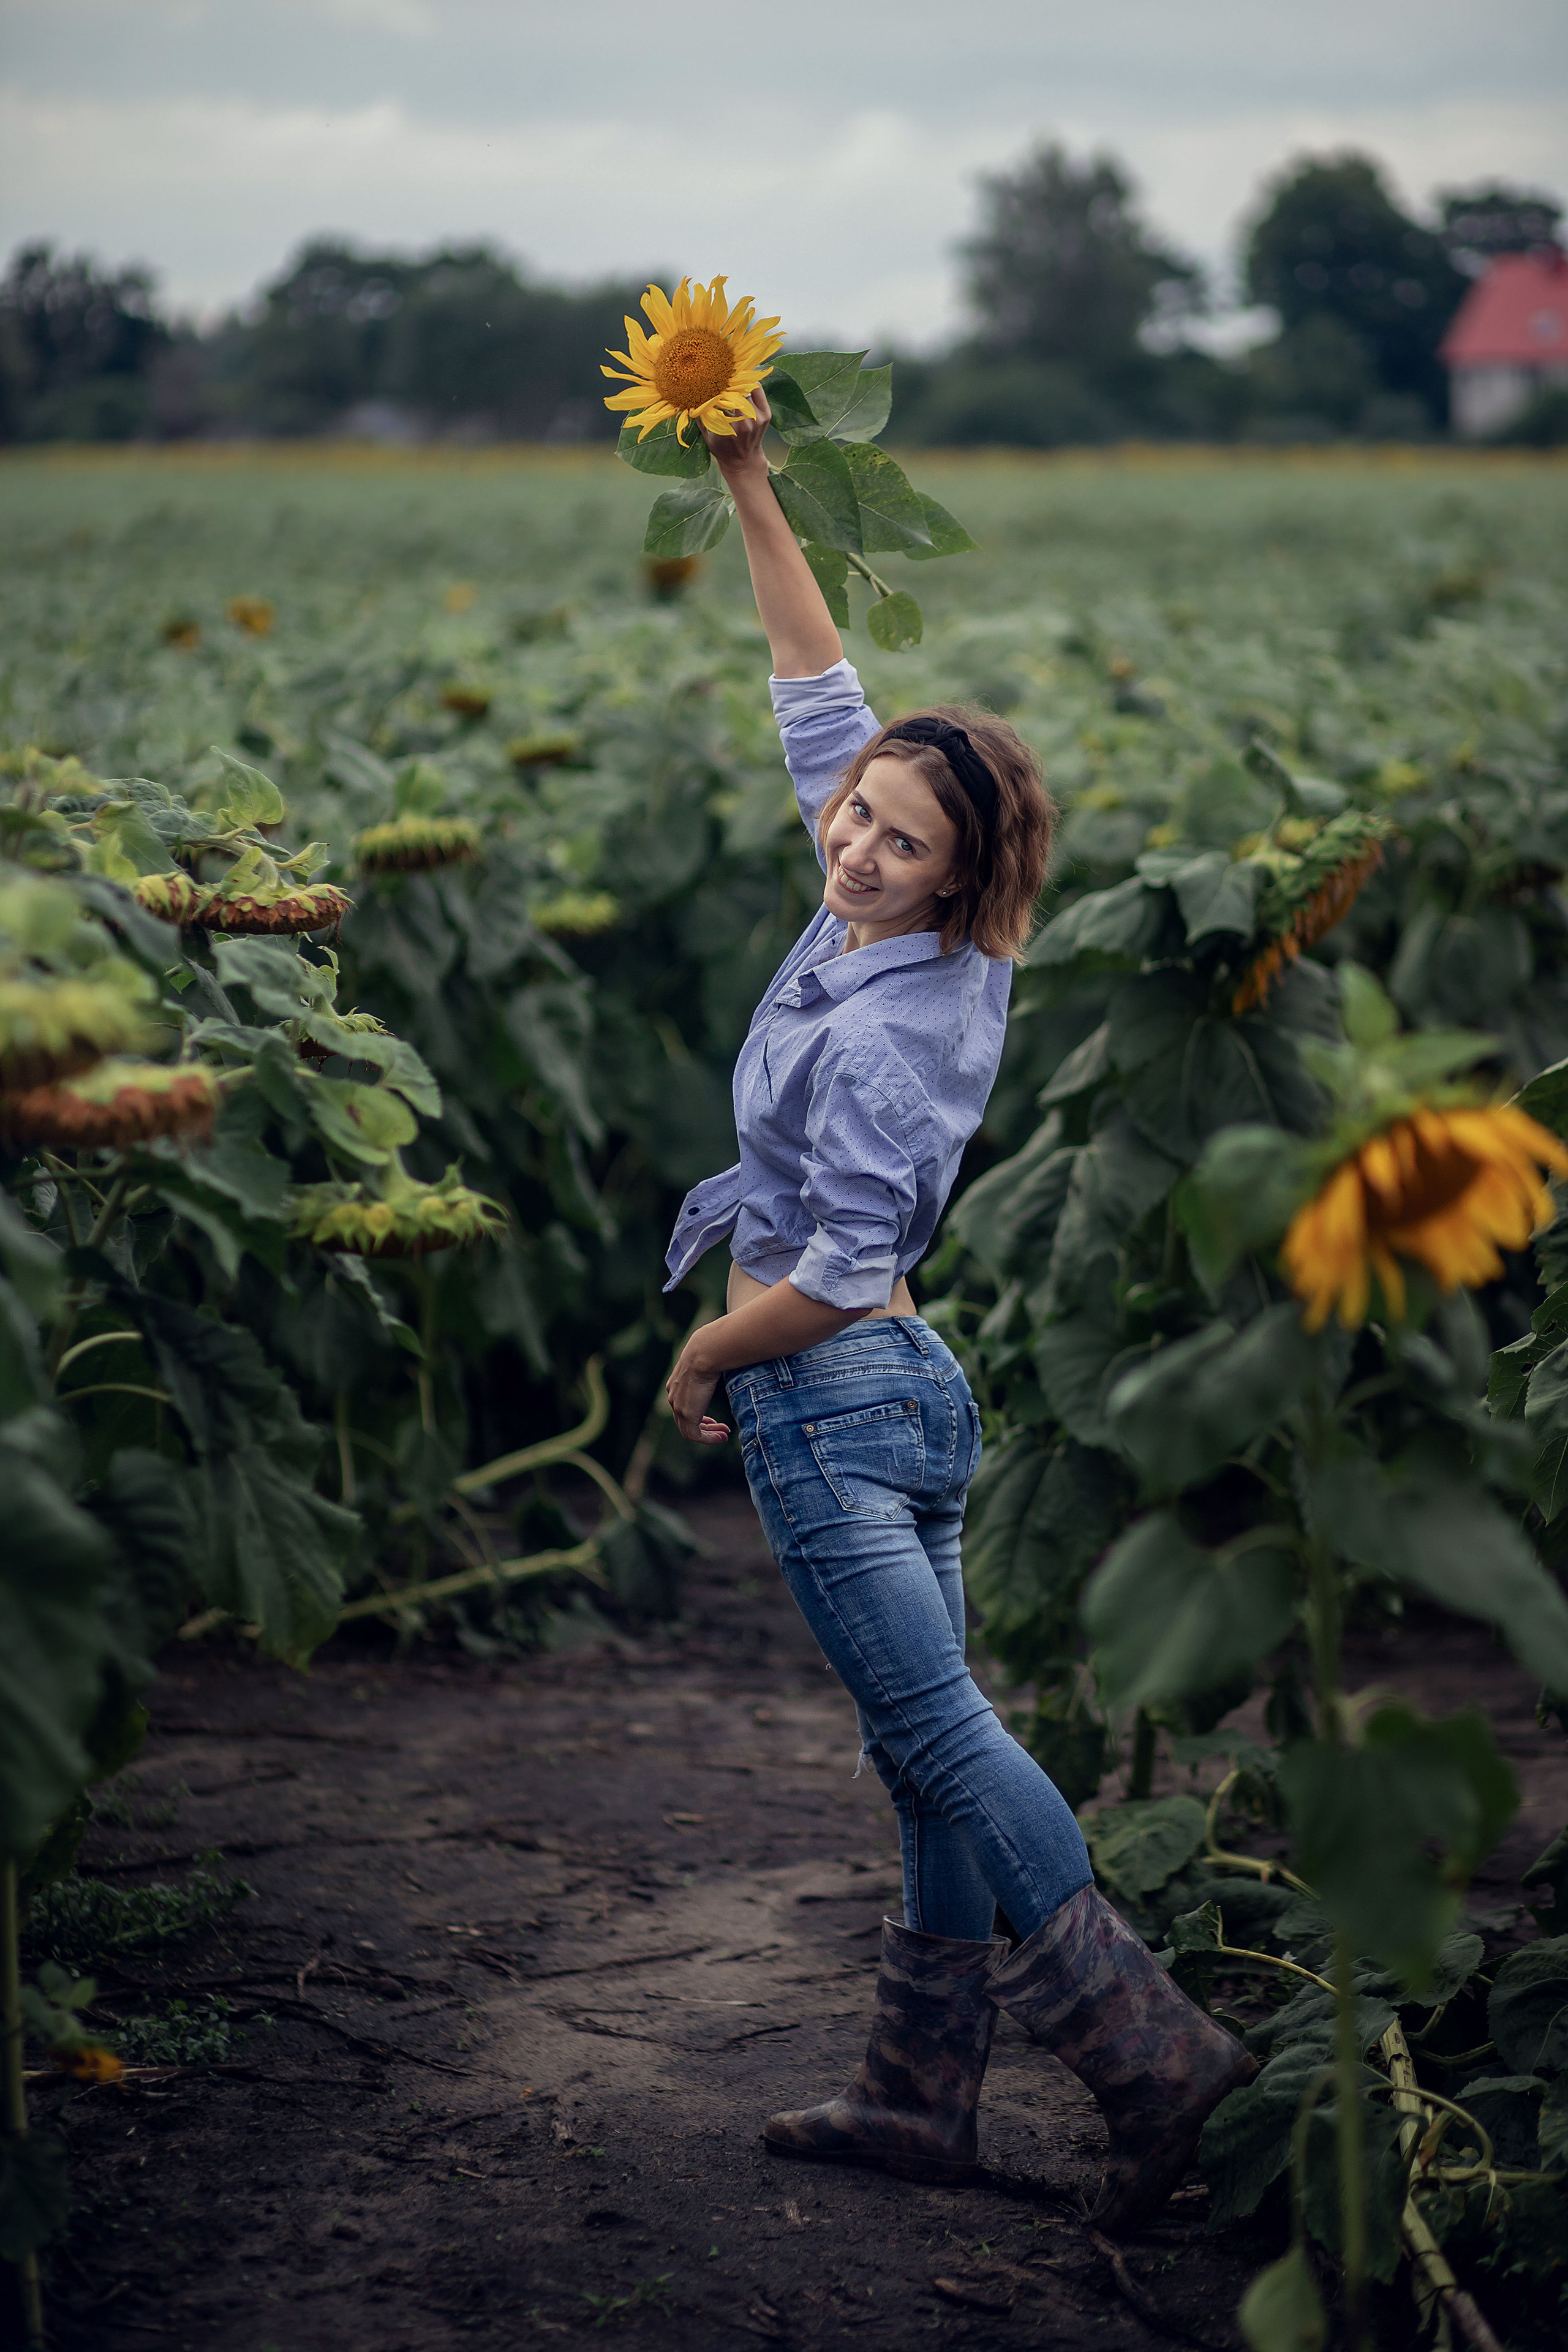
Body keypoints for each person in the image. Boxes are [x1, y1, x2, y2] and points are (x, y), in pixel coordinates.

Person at [661, 390, 1254, 2228]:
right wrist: (751, 479)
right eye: (853, 818)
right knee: (924, 1747)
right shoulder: (881, 930)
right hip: (903, 1394)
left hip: (836, 1389)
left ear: (962, 874)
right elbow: (816, 687)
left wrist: (703, 1346)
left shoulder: (907, 1023)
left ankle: (1158, 2064)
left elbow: (833, 1272)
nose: (850, 844)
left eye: (897, 841)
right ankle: (921, 2098)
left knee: (937, 1739)